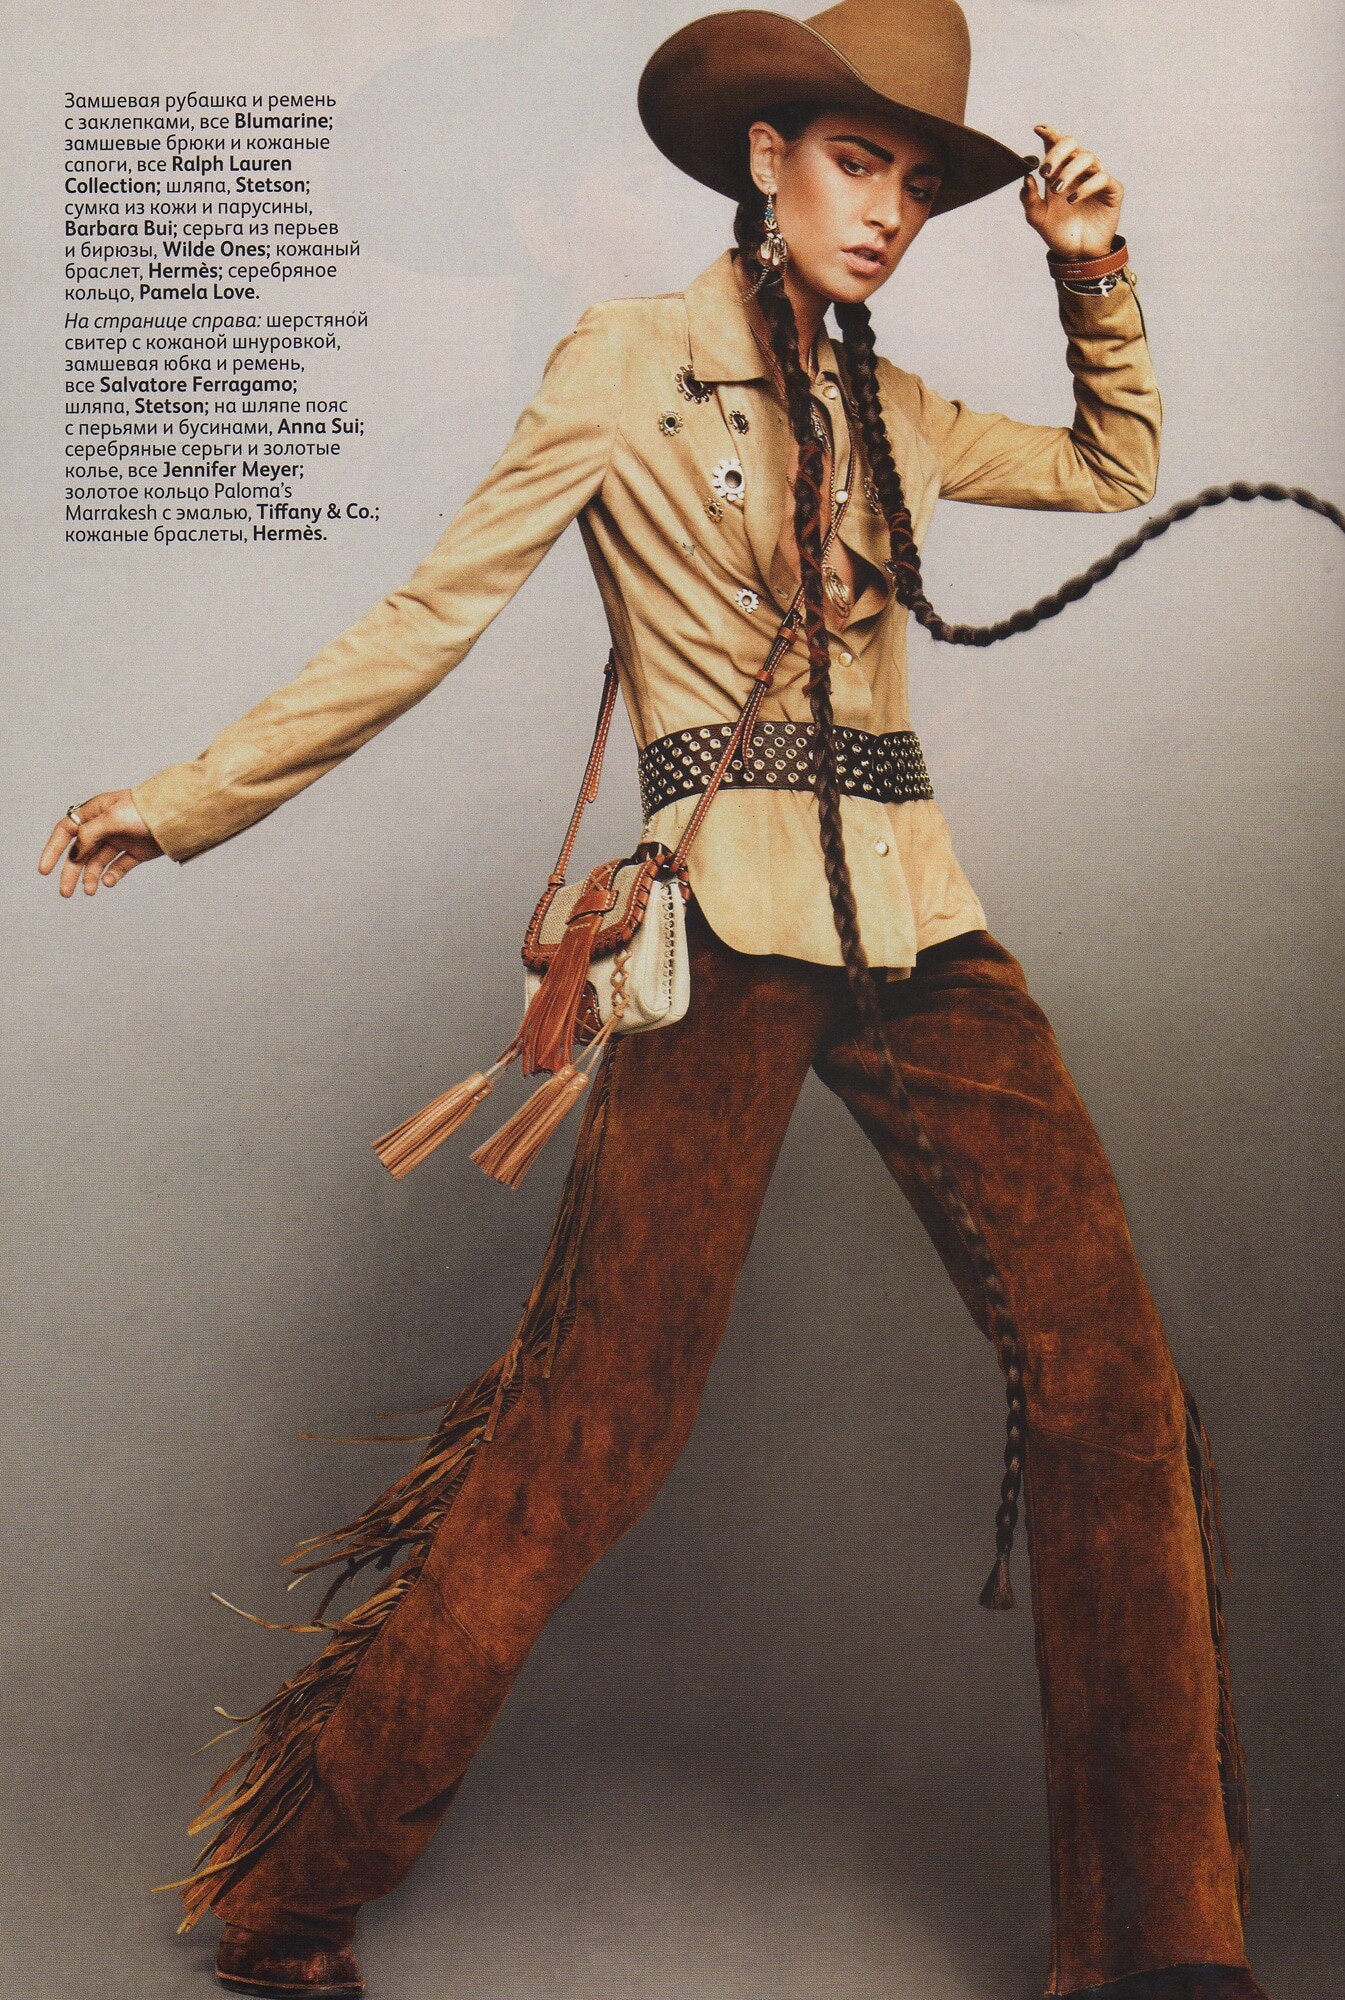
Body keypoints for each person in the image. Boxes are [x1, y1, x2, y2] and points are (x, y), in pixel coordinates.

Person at [38, 4, 1274, 1996]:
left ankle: (1161, 1946)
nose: (887, 211)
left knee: (1111, 1384)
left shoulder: (901, 404)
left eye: (917, 184)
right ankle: (290, 1899)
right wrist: (182, 804)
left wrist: (1089, 270)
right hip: (721, 937)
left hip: (919, 931)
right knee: (595, 1427)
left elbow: (1113, 461)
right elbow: (427, 617)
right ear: (765, 158)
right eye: (856, 164)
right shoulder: (623, 362)